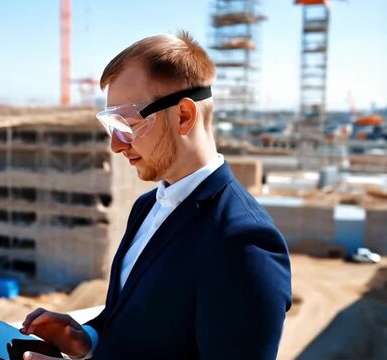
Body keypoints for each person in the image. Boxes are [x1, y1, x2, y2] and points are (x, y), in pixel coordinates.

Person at [19, 32, 292, 360]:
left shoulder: (242, 240)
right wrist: (87, 338)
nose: (116, 145)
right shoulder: (146, 206)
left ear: (184, 116)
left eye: (127, 123)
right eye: (111, 125)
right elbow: (135, 324)